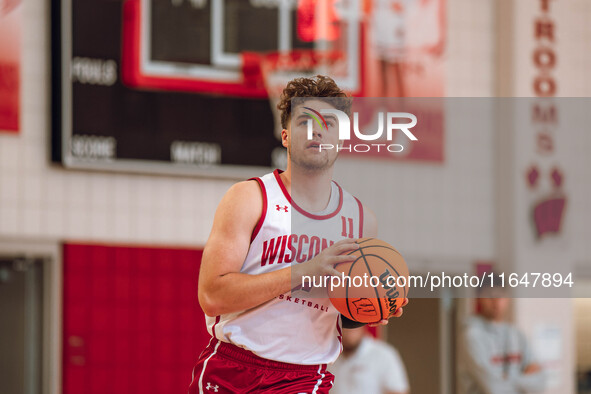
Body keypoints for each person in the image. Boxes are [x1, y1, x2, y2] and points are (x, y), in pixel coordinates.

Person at [188, 75, 408, 393]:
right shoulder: (249, 198)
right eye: (306, 120)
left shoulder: (362, 221)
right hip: (232, 369)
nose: (317, 129)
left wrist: (371, 306)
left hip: (304, 378)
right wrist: (303, 271)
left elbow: (339, 315)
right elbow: (212, 296)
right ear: (286, 136)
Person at [458, 277, 547, 393]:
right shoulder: (472, 336)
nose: (496, 302)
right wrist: (524, 380)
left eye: (500, 296)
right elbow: (494, 388)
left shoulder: (517, 335)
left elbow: (540, 383)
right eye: (490, 296)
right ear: (479, 299)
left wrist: (506, 378)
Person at [330, 327, 409, 394]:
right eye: (345, 327)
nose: (349, 332)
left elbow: (397, 390)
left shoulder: (384, 354)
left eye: (353, 327)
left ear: (362, 327)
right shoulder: (327, 355)